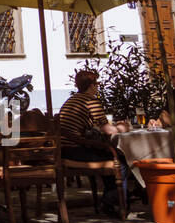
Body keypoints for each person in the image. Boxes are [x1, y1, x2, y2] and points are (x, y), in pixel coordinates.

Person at [57, 68, 135, 215]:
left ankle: (109, 202)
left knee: (110, 157)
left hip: (65, 149)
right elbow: (107, 130)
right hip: (74, 151)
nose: (97, 86)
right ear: (92, 85)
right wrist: (122, 127)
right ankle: (115, 202)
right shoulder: (90, 101)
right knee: (122, 162)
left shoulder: (73, 99)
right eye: (97, 84)